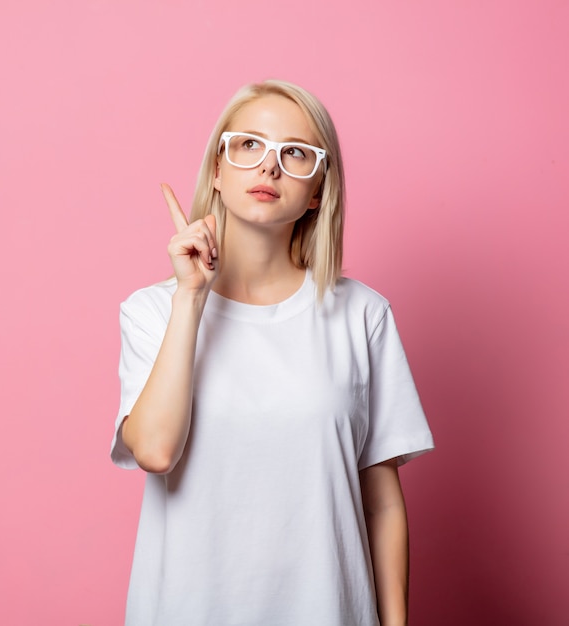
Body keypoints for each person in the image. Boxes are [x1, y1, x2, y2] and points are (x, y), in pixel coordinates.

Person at [111, 79, 434, 626]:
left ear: (317, 191)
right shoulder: (152, 312)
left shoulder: (362, 315)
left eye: (296, 154)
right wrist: (191, 296)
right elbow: (156, 452)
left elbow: (381, 503)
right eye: (248, 145)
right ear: (217, 169)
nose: (269, 167)